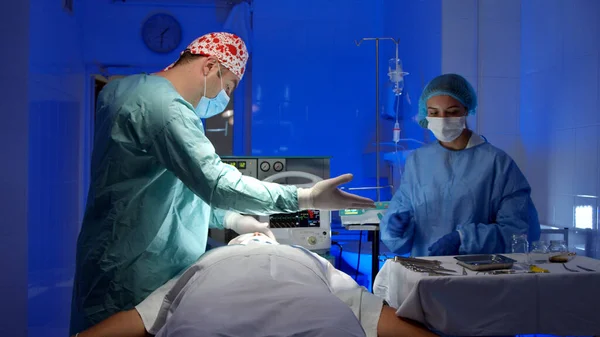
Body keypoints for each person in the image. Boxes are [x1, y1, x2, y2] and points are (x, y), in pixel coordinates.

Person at [70, 32, 375, 334]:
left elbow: (177, 190)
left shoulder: (125, 91)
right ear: (210, 66)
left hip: (118, 250)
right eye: (228, 85)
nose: (225, 97)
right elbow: (215, 182)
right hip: (137, 268)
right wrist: (304, 197)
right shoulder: (164, 108)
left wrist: (231, 219)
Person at [71, 233, 438, 337]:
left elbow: (135, 319)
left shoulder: (207, 261)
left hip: (206, 323)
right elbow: (379, 318)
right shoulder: (307, 258)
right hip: (319, 323)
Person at [380, 74, 540, 257]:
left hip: (478, 276)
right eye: (434, 113)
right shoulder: (418, 161)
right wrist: (396, 227)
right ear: (426, 114)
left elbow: (519, 231)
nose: (442, 119)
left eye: (452, 112)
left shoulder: (497, 163)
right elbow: (398, 222)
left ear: (466, 110)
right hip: (426, 271)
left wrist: (464, 239)